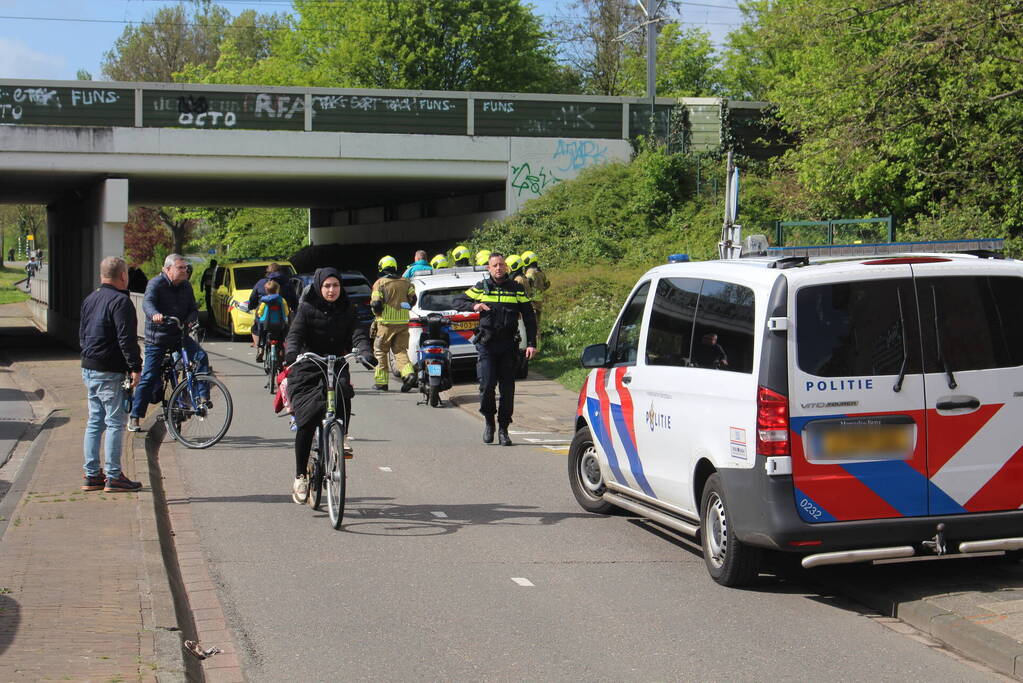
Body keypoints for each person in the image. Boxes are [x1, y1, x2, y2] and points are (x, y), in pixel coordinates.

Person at [284, 268, 374, 503]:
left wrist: (365, 352)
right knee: (307, 418)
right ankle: (300, 476)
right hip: (308, 364)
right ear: (318, 287)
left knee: (344, 391)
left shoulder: (348, 309)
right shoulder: (306, 308)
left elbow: (358, 334)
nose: (331, 290)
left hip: (335, 362)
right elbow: (295, 335)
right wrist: (292, 353)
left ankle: (341, 435)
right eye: (327, 286)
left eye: (335, 285)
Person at [453, 253, 537, 446]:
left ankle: (504, 429)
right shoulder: (481, 287)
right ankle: (489, 422)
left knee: (507, 390)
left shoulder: (516, 289)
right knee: (487, 385)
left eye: (501, 265)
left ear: (506, 267)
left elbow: (529, 317)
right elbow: (456, 302)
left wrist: (531, 343)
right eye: (494, 265)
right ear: (488, 269)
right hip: (487, 346)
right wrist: (475, 305)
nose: (498, 268)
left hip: (508, 346)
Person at [79, 256, 143, 492]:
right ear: (124, 276)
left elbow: (82, 333)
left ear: (101, 275)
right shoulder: (121, 302)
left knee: (95, 421)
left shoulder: (90, 299)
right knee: (115, 422)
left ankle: (91, 473)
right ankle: (114, 476)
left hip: (89, 366)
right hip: (110, 370)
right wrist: (135, 367)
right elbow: (126, 339)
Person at [128, 254, 210, 432]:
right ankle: (135, 416)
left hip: (178, 335)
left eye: (185, 268)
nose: (185, 271)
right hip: (157, 339)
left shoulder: (186, 286)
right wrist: (154, 314)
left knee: (201, 357)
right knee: (149, 376)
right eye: (180, 268)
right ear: (167, 269)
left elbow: (193, 309)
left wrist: (189, 319)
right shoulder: (155, 284)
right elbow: (147, 303)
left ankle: (202, 398)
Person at [370, 255, 417, 392]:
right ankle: (409, 374)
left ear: (381, 267)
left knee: (380, 351)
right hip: (403, 322)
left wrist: (378, 312)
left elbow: (376, 303)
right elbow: (413, 299)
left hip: (385, 324)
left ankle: (381, 383)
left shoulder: (379, 283)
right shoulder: (406, 282)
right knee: (400, 350)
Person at [248, 263, 298, 349]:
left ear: (268, 272)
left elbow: (253, 298)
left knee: (255, 328)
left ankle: (260, 347)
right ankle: (284, 346)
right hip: (282, 319)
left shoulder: (261, 283)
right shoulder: (287, 282)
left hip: (265, 320)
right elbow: (294, 299)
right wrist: (294, 308)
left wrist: (251, 306)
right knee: (287, 330)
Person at [254, 279, 290, 364]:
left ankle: (261, 349)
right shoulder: (282, 300)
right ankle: (281, 354)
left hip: (265, 325)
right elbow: (286, 312)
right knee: (281, 341)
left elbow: (260, 312)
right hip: (280, 325)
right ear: (277, 289)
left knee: (262, 336)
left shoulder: (264, 301)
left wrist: (259, 315)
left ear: (266, 290)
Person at [521, 250, 549, 346]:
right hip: (539, 302)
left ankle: (534, 345)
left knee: (532, 325)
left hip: (531, 302)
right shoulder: (541, 272)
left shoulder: (530, 272)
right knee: (538, 324)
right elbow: (547, 284)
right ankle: (540, 344)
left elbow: (525, 284)